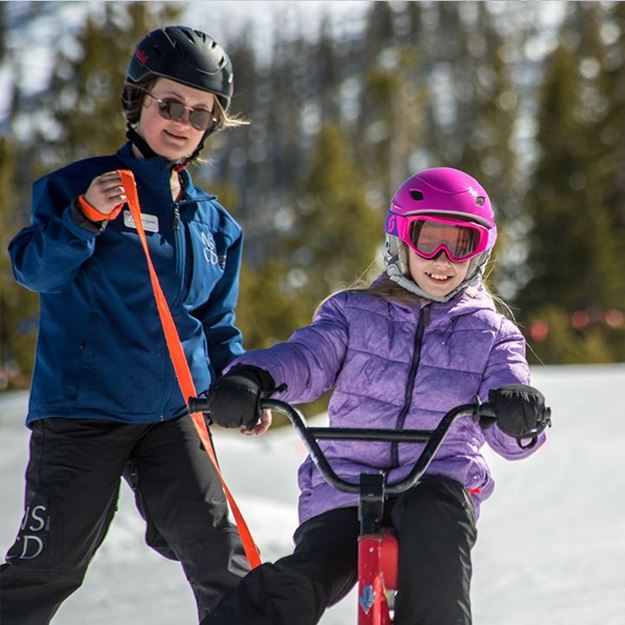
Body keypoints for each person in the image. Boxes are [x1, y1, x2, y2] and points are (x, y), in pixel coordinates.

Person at [199, 167, 551, 625]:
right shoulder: (352, 313)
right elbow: (307, 358)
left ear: (479, 253)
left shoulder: (493, 335)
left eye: (460, 244)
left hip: (437, 482)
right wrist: (254, 379)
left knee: (437, 570)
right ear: (400, 242)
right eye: (428, 241)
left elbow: (508, 410)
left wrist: (517, 414)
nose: (442, 259)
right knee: (304, 578)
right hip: (345, 483)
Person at [1, 25, 267, 625]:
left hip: (172, 414)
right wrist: (83, 218)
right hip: (82, 411)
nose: (182, 121)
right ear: (137, 101)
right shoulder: (80, 186)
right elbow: (33, 270)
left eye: (200, 114)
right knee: (50, 568)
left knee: (223, 562)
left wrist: (241, 381)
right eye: (169, 104)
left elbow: (216, 324)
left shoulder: (215, 225)